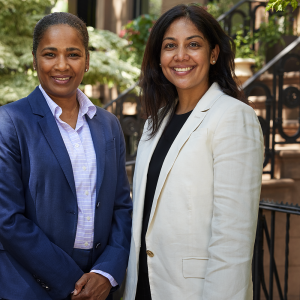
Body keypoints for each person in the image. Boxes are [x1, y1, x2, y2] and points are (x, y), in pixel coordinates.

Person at [123, 4, 264, 300]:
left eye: (194, 45)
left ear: (213, 54)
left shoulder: (232, 117)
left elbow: (233, 239)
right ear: (159, 58)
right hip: (142, 288)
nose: (180, 56)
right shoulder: (154, 123)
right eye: (170, 46)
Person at [0, 12, 132, 300]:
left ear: (87, 61)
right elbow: (6, 218)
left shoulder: (108, 125)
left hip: (99, 285)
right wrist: (74, 282)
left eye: (73, 54)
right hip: (29, 286)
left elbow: (122, 207)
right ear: (35, 60)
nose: (62, 65)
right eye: (50, 54)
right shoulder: (9, 122)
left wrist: (105, 274)